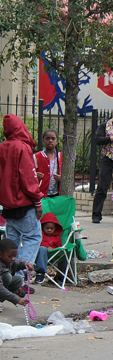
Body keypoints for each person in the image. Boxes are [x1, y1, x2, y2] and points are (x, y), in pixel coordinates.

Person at [0, 114, 44, 277]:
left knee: (12, 245)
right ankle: (19, 277)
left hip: (8, 206)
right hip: (24, 204)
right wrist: (37, 201)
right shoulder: (23, 147)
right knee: (33, 238)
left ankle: (8, 277)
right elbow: (28, 178)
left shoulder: (2, 147)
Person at [0, 239, 35, 307]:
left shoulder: (6, 260)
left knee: (18, 280)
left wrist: (25, 264)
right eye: (10, 256)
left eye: (14, 256)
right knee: (7, 276)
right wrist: (17, 299)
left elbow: (16, 263)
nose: (13, 258)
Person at [33, 212, 63, 284]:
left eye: (51, 228)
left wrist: (54, 248)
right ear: (42, 227)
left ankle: (41, 273)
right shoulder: (40, 234)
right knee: (41, 248)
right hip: (39, 255)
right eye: (47, 228)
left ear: (55, 228)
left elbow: (59, 246)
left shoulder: (57, 237)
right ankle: (40, 272)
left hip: (53, 255)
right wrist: (47, 247)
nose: (49, 230)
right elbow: (38, 242)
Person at [34, 129, 62, 198]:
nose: (50, 141)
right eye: (47, 139)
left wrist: (61, 178)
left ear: (57, 141)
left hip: (57, 195)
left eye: (53, 139)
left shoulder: (61, 157)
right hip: (42, 195)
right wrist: (35, 175)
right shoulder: (36, 156)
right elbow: (29, 174)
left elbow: (67, 175)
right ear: (43, 141)